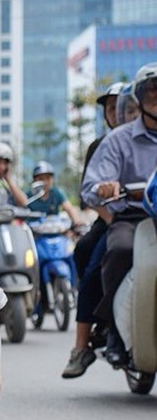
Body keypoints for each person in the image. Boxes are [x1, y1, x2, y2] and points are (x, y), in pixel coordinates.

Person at [79, 62, 157, 368]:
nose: (156, 96)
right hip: (133, 218)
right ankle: (113, 330)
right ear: (137, 96)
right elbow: (91, 185)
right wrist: (105, 187)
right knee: (120, 251)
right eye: (150, 90)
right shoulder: (118, 139)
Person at [64, 82, 126, 378]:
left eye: (125, 106)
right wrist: (111, 218)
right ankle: (81, 345)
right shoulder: (101, 146)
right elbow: (89, 193)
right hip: (113, 219)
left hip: (147, 219)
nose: (119, 113)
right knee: (89, 258)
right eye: (112, 108)